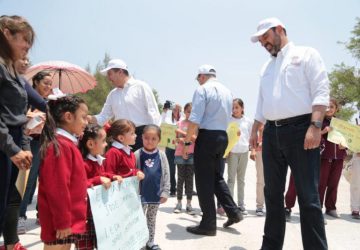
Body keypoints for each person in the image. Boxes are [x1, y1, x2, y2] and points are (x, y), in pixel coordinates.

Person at [249, 17, 329, 249]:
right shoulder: (266, 67)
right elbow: (262, 100)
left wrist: (315, 127)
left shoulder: (306, 54)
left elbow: (321, 91)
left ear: (280, 29)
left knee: (308, 198)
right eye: (260, 39)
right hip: (272, 134)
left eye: (266, 36)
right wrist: (256, 127)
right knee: (272, 196)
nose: (263, 42)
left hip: (301, 131)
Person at [183, 64, 242, 236]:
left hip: (207, 137)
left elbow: (194, 120)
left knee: (203, 181)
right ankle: (234, 212)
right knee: (216, 178)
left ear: (202, 76)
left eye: (198, 78)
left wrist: (187, 143)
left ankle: (208, 224)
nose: (198, 81)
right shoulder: (228, 91)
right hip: (222, 137)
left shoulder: (203, 90)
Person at [0, 15, 35, 250]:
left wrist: (23, 148)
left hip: (11, 149)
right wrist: (12, 149)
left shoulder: (13, 71)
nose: (27, 46)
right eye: (24, 39)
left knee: (8, 201)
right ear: (6, 33)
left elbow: (20, 116)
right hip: (3, 146)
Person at [38, 95, 89, 250]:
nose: (86, 122)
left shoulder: (67, 144)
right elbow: (57, 189)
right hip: (60, 223)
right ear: (68, 117)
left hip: (68, 220)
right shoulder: (59, 146)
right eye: (84, 117)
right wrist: (62, 222)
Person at [88, 59, 161, 151]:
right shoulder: (112, 95)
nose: (108, 78)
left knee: (140, 165)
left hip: (142, 137)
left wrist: (153, 138)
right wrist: (90, 118)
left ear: (120, 72)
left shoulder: (141, 87)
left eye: (110, 74)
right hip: (120, 140)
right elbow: (103, 117)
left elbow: (153, 113)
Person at [18, 70, 53, 234]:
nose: (48, 86)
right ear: (36, 83)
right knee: (28, 181)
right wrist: (29, 115)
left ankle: (43, 214)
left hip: (46, 143)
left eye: (50, 83)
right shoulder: (26, 99)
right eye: (45, 82)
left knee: (47, 181)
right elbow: (16, 116)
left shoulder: (50, 103)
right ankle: (20, 216)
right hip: (30, 142)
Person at [77, 124, 123, 250]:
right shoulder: (83, 163)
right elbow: (79, 184)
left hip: (98, 214)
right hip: (85, 216)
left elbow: (102, 175)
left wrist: (112, 176)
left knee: (101, 243)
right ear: (91, 144)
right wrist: (98, 180)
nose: (106, 144)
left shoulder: (99, 161)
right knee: (85, 246)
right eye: (103, 141)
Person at [134, 124, 170, 250]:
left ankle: (150, 241)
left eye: (153, 138)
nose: (150, 141)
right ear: (142, 137)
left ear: (159, 140)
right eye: (147, 138)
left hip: (156, 193)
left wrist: (165, 191)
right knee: (139, 218)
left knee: (151, 218)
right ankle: (139, 241)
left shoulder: (162, 155)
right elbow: (132, 173)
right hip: (141, 194)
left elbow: (166, 174)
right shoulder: (137, 154)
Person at [227, 98, 253, 215]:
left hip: (244, 152)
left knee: (241, 179)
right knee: (231, 179)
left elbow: (251, 136)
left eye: (237, 107)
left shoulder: (248, 121)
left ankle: (241, 204)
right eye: (233, 108)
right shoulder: (228, 120)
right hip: (232, 152)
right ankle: (230, 205)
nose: (234, 110)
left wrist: (252, 150)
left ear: (242, 108)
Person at [173, 102, 195, 215]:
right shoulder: (179, 123)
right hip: (179, 154)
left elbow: (195, 138)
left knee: (190, 180)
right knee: (180, 179)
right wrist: (181, 139)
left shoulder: (196, 125)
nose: (189, 114)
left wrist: (182, 134)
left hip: (192, 154)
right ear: (184, 112)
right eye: (188, 111)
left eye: (192, 112)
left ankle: (189, 204)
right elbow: (174, 139)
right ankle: (179, 203)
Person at [161, 102, 182, 196]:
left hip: (181, 147)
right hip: (170, 147)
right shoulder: (168, 120)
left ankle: (183, 188)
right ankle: (173, 189)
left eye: (178, 109)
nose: (176, 111)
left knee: (182, 169)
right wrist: (164, 110)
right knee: (171, 169)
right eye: (174, 109)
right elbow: (161, 122)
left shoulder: (183, 120)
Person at [249, 123, 265, 216]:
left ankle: (274, 207)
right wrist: (253, 150)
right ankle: (260, 206)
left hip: (274, 152)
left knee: (274, 181)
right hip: (260, 152)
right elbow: (254, 135)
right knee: (260, 180)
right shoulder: (260, 119)